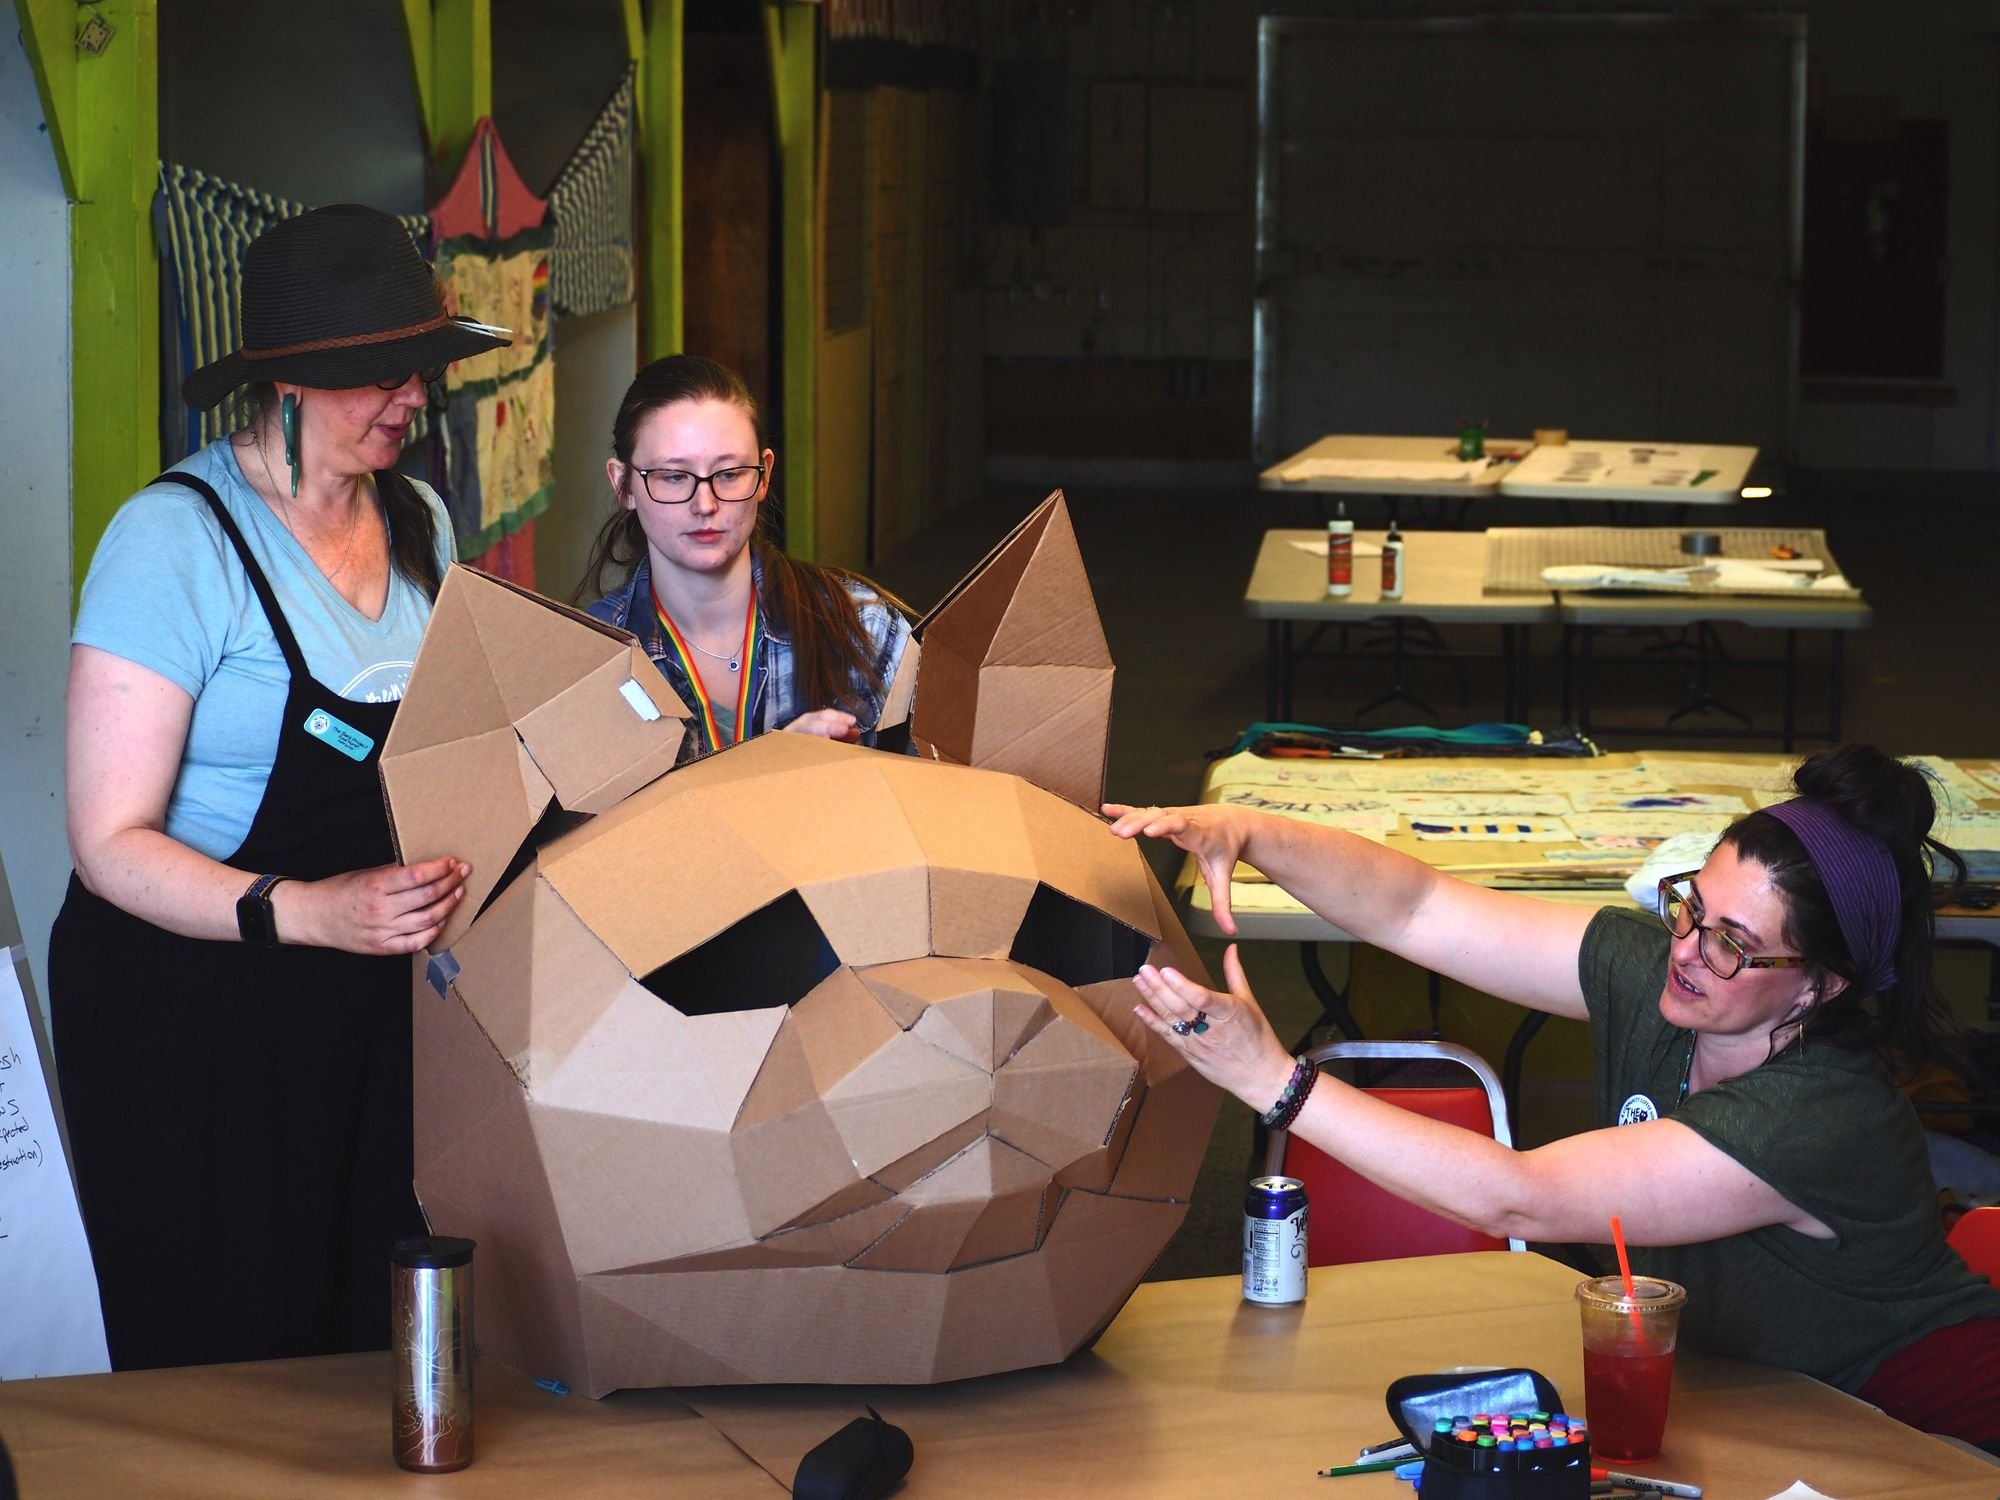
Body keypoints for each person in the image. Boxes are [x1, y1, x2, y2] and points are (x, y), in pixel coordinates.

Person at [1107, 744, 2000, 1450]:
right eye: (1690, 906)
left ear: (1821, 985)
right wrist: (1251, 833)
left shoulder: (1815, 1115)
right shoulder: (1669, 981)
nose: (1687, 949)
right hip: (1779, 1402)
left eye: (1733, 942)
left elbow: (1518, 1194)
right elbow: (1418, 909)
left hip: (1930, 1425)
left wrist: (1275, 1080)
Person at [50, 204, 508, 1370]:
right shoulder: (173, 542)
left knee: (363, 1316)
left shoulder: (420, 520)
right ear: (291, 382)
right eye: (384, 375)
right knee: (229, 1333)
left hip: (366, 1006)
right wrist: (308, 910)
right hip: (190, 1016)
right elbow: (106, 842)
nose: (413, 398)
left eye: (421, 370)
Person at [579, 355, 912, 758]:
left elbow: (944, 784)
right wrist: (773, 772)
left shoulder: (863, 626)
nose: (705, 504)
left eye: (729, 474)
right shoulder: (589, 661)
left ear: (764, 474)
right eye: (674, 476)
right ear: (624, 485)